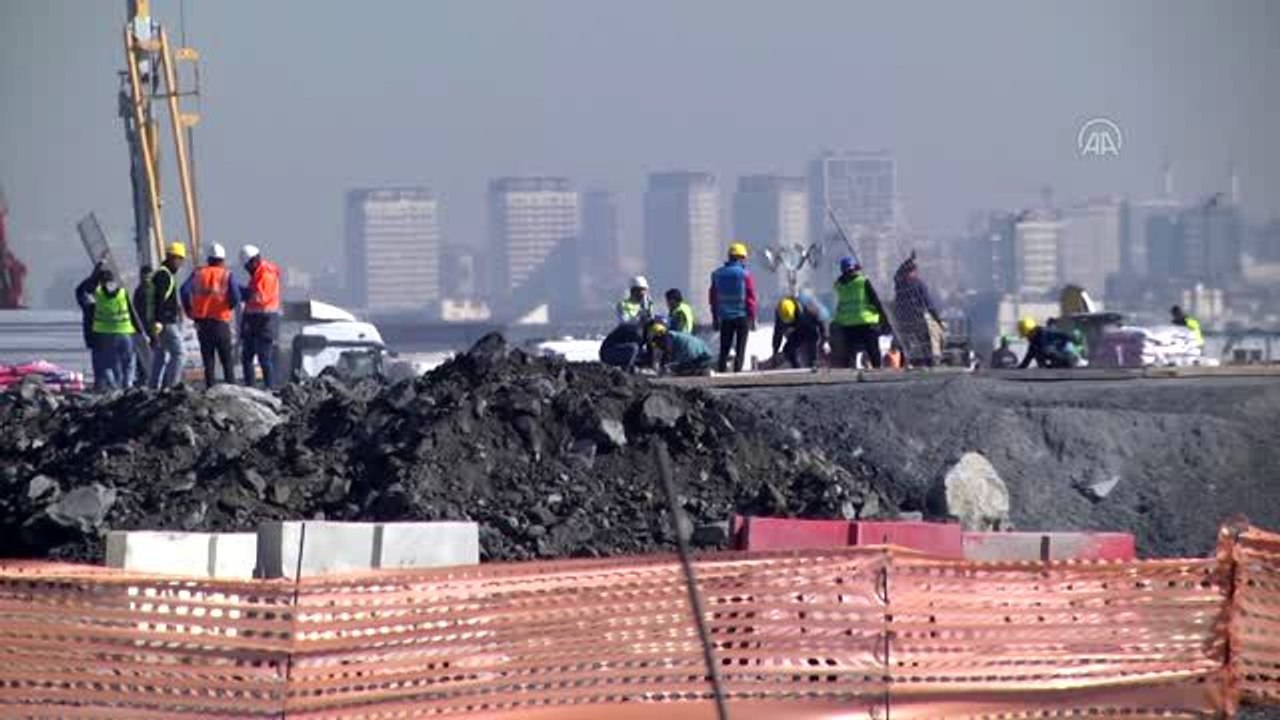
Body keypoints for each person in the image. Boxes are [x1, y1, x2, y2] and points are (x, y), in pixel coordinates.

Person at [181, 243, 242, 387]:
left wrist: (189, 310)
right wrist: (228, 306)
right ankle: (231, 389)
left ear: (208, 259)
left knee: (208, 360)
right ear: (222, 260)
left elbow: (184, 290)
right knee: (226, 360)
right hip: (220, 322)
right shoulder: (226, 274)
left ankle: (210, 390)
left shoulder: (198, 273)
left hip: (202, 322)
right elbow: (236, 296)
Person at [75, 266, 142, 389]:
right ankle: (125, 387)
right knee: (126, 364)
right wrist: (140, 332)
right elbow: (132, 313)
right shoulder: (121, 294)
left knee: (105, 367)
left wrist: (94, 274)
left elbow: (80, 291)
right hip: (123, 334)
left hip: (99, 340)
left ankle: (108, 390)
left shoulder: (93, 303)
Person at [709, 242, 757, 373]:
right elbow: (751, 298)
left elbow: (713, 299)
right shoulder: (745, 274)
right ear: (741, 258)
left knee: (724, 348)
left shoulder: (717, 274)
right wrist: (752, 317)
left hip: (725, 317)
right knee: (740, 348)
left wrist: (714, 318)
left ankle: (722, 372)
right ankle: (737, 372)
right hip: (742, 317)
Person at [239, 244, 282, 387]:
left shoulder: (266, 274)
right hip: (255, 320)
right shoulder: (258, 274)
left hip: (266, 320)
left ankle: (270, 388)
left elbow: (260, 298)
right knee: (247, 357)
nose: (247, 270)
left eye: (247, 266)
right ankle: (250, 387)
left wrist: (244, 293)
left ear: (254, 261)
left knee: (264, 357)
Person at [893, 251, 945, 367]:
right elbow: (929, 304)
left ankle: (906, 364)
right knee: (925, 342)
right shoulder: (919, 284)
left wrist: (909, 260)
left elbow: (897, 273)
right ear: (914, 271)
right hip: (917, 318)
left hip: (903, 319)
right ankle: (929, 364)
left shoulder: (900, 283)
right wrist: (938, 320)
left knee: (905, 344)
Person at [831, 256, 884, 369]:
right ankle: (878, 372)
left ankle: (848, 377)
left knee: (850, 352)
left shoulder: (838, 285)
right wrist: (883, 319)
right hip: (867, 322)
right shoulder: (863, 282)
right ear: (855, 268)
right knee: (873, 351)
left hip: (848, 323)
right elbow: (876, 300)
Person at [147, 242, 187, 388]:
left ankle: (153, 387)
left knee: (160, 355)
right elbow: (159, 299)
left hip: (163, 321)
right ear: (171, 257)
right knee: (180, 353)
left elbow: (164, 297)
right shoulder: (163, 275)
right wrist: (158, 321)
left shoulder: (163, 274)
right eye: (179, 259)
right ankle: (172, 385)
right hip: (166, 322)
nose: (181, 263)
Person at [772, 292, 829, 369]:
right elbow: (778, 333)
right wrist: (775, 351)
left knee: (811, 348)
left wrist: (825, 340)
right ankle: (796, 368)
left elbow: (822, 320)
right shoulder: (781, 313)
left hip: (811, 329)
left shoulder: (808, 308)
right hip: (798, 330)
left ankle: (813, 365)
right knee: (788, 350)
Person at [647, 320, 714, 376]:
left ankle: (702, 371)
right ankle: (701, 370)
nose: (657, 343)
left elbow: (668, 353)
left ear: (658, 335)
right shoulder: (672, 336)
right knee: (677, 367)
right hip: (702, 354)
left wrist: (662, 367)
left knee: (677, 370)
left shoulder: (667, 338)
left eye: (655, 339)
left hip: (701, 356)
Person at [1017, 317, 1081, 369]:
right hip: (1055, 365)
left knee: (1045, 351)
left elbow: (1067, 336)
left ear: (1032, 331)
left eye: (1027, 335)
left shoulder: (1048, 332)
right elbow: (1026, 360)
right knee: (1038, 351)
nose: (1027, 338)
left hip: (1068, 360)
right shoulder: (1034, 344)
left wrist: (1073, 340)